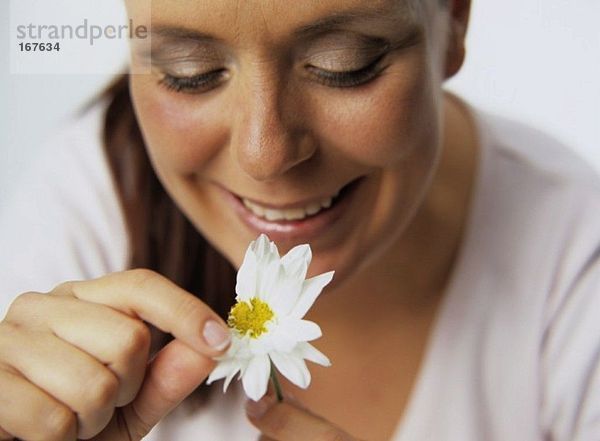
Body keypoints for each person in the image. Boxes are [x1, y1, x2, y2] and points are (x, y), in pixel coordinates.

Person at [1, 0, 599, 439]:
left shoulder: (574, 265)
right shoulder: (91, 203)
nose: (265, 156)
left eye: (346, 64)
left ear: (454, 23)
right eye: (190, 72)